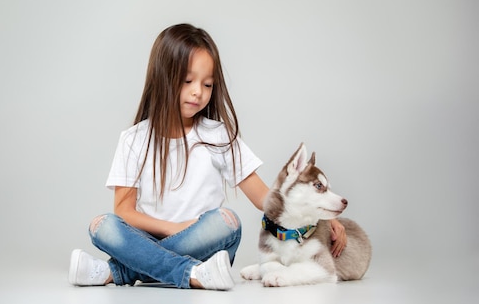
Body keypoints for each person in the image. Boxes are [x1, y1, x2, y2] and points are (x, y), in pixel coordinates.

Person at [69, 24, 346, 290]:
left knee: (227, 222)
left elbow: (266, 199)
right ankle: (192, 274)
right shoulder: (134, 140)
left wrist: (318, 212)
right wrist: (173, 227)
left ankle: (118, 271)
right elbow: (125, 211)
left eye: (208, 84)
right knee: (103, 226)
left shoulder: (218, 135)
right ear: (163, 77)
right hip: (152, 241)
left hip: (203, 245)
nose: (198, 92)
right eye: (188, 80)